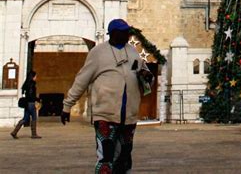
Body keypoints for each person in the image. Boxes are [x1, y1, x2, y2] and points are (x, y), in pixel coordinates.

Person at [61, 19, 153, 173]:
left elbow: (145, 75)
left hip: (129, 115)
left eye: (127, 32)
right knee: (106, 157)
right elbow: (82, 80)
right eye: (123, 33)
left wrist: (147, 75)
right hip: (105, 114)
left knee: (125, 158)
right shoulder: (98, 53)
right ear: (114, 34)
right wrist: (67, 105)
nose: (127, 36)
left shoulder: (132, 51)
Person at [10, 70, 42, 139]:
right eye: (35, 76)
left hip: (27, 104)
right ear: (32, 77)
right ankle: (34, 134)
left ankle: (14, 132)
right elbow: (31, 95)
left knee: (25, 118)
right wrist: (37, 99)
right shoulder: (32, 84)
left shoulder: (26, 84)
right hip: (31, 103)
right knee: (34, 118)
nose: (36, 77)